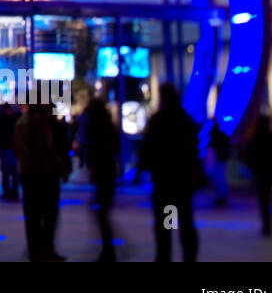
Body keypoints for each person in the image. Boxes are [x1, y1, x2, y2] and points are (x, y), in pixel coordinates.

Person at [136, 86, 203, 262]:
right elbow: (193, 150)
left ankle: (165, 255)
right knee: (186, 221)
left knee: (167, 222)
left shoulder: (159, 121)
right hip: (183, 182)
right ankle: (189, 256)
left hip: (164, 182)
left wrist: (140, 171)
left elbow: (148, 149)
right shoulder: (186, 120)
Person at [14, 102, 67, 261]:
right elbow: (47, 148)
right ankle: (46, 248)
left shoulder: (21, 123)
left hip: (27, 172)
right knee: (49, 214)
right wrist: (59, 166)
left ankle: (34, 249)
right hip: (45, 173)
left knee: (32, 215)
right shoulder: (41, 123)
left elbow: (16, 148)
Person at [82, 97, 121, 261]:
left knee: (101, 211)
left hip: (102, 171)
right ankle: (108, 247)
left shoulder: (95, 126)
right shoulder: (108, 125)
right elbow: (115, 147)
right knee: (102, 210)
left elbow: (93, 149)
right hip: (108, 171)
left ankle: (108, 248)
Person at [242, 113, 272, 236]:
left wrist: (252, 167)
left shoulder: (255, 138)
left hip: (260, 172)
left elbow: (248, 155)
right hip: (268, 171)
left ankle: (267, 225)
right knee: (266, 197)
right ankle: (268, 224)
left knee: (263, 199)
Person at [0, 104, 21, 201]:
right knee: (14, 170)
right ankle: (15, 190)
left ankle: (7, 191)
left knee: (6, 170)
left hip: (4, 147)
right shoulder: (15, 119)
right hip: (13, 147)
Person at [208, 121, 231, 206]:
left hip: (220, 159)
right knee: (219, 178)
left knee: (220, 178)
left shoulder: (218, 135)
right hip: (220, 158)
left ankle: (222, 197)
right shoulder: (222, 135)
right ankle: (221, 197)